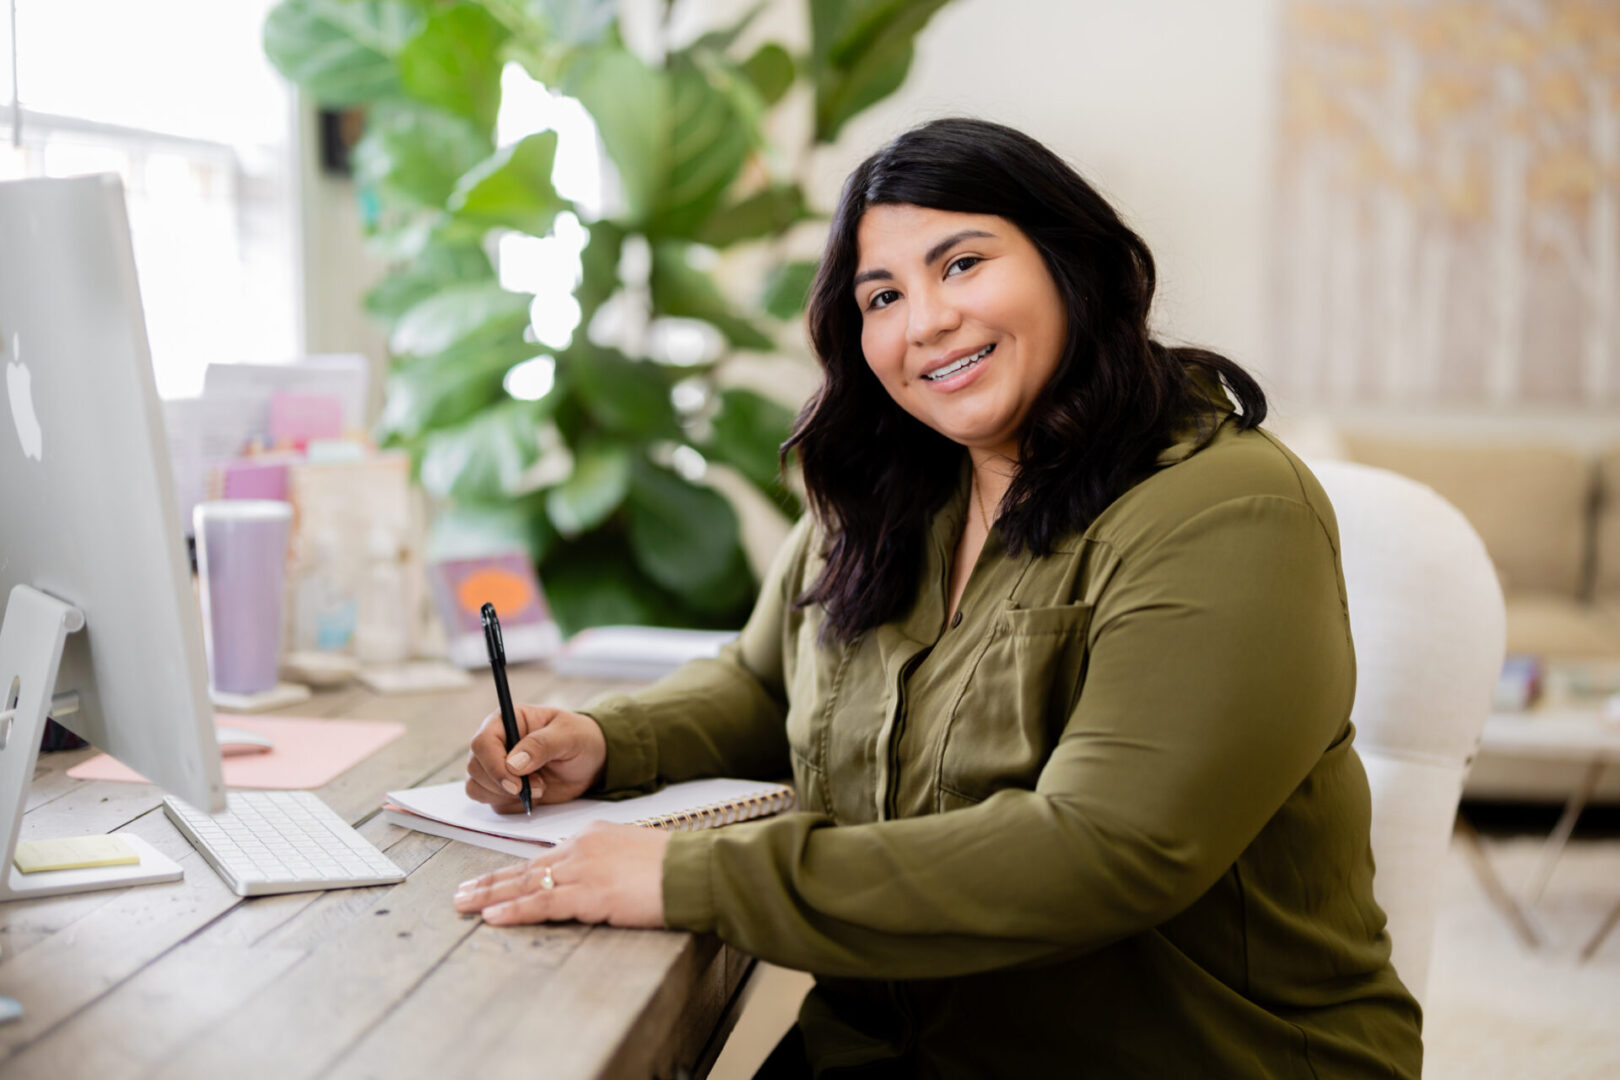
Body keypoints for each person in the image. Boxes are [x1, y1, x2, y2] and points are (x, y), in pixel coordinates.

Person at [452, 118, 1423, 1078]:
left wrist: (686, 875)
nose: (925, 322)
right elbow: (765, 686)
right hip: (887, 1049)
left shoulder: (1225, 510)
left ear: (1070, 261)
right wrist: (607, 741)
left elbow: (1106, 849)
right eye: (882, 295)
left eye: (961, 264)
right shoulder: (889, 495)